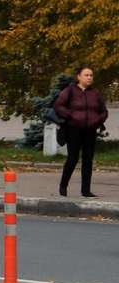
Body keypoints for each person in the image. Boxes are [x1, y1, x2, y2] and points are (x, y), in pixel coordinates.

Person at [53, 65, 107, 198]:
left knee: (88, 160)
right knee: (73, 158)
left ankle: (85, 190)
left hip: (90, 130)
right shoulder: (70, 90)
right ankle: (63, 185)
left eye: (91, 75)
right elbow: (58, 105)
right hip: (74, 129)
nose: (89, 78)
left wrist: (98, 119)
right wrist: (70, 115)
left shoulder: (95, 93)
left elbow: (103, 110)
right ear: (79, 77)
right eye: (86, 75)